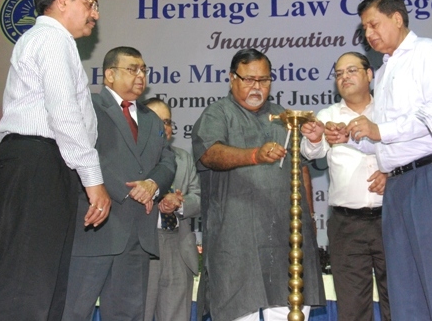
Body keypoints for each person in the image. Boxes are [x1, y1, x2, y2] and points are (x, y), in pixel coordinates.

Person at [0, 0, 111, 321]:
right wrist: (92, 178)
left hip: (48, 163)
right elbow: (64, 114)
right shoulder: (50, 40)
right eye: (91, 4)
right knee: (27, 287)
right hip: (37, 160)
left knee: (47, 289)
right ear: (62, 0)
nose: (96, 14)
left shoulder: (55, 43)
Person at [328, 0, 432, 320]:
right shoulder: (384, 73)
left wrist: (379, 131)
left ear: (397, 18)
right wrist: (351, 138)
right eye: (364, 28)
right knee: (404, 291)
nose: (369, 34)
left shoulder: (425, 51)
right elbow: (384, 140)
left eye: (374, 24)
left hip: (430, 176)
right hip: (396, 188)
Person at [191, 48, 325, 321]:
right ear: (232, 78)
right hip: (236, 238)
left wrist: (308, 217)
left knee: (290, 308)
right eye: (249, 79)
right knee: (239, 309)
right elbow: (210, 154)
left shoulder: (285, 117)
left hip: (287, 236)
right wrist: (254, 155)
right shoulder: (217, 114)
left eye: (264, 80)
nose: (257, 87)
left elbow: (302, 169)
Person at [61, 47, 176, 321]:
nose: (140, 76)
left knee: (128, 315)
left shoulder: (151, 119)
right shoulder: (87, 106)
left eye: (144, 70)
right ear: (109, 74)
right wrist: (131, 190)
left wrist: (152, 184)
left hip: (137, 236)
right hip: (93, 231)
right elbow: (82, 152)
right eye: (132, 69)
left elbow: (168, 161)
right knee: (73, 312)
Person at [300, 51, 390, 321]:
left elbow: (409, 151)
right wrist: (315, 139)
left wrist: (391, 173)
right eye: (339, 74)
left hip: (390, 219)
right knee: (352, 309)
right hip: (346, 224)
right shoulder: (328, 115)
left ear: (369, 75)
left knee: (398, 300)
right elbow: (311, 152)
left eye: (351, 71)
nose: (344, 77)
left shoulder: (389, 109)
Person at [143, 98, 201, 321]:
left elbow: (200, 198)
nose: (164, 127)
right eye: (157, 121)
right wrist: (156, 200)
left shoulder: (184, 159)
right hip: (144, 248)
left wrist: (180, 203)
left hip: (179, 245)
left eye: (167, 122)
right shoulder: (129, 159)